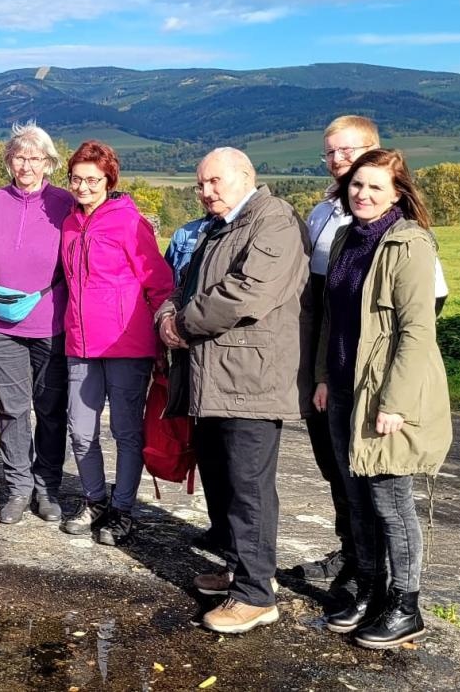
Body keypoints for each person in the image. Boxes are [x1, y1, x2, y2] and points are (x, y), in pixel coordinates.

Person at [154, 147, 309, 635]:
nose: (206, 192)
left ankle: (256, 595)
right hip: (214, 378)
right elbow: (187, 283)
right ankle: (235, 571)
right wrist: (166, 313)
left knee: (248, 489)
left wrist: (182, 322)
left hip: (250, 380)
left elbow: (246, 292)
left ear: (247, 176)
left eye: (215, 182)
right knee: (221, 482)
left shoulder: (274, 222)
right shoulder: (220, 228)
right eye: (200, 184)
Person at [293, 115, 450, 587]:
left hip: (372, 369)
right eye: (332, 153)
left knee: (381, 486)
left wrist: (391, 385)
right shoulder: (327, 218)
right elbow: (323, 303)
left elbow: (421, 317)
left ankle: (390, 587)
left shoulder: (405, 237)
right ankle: (356, 561)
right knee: (338, 471)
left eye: (349, 151)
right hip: (330, 362)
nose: (339, 162)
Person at [58, 141, 175, 544]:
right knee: (80, 428)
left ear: (109, 181)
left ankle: (122, 509)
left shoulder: (129, 223)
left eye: (93, 180)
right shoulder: (70, 222)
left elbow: (158, 282)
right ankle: (94, 500)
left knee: (126, 432)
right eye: (77, 179)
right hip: (80, 343)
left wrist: (165, 335)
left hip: (127, 345)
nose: (84, 187)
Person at [0, 121, 72, 526]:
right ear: (8, 160)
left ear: (49, 163)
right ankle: (17, 489)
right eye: (19, 157)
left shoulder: (63, 202)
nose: (26, 165)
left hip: (50, 323)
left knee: (49, 409)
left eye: (35, 158)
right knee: (12, 410)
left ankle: (47, 489)